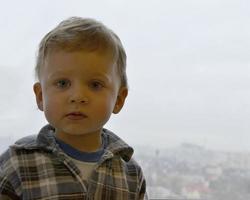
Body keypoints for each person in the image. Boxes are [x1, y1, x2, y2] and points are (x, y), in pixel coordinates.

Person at [0, 17, 147, 200]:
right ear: (40, 96)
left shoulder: (131, 174)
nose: (77, 96)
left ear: (118, 99)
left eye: (95, 85)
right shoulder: (17, 164)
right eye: (62, 83)